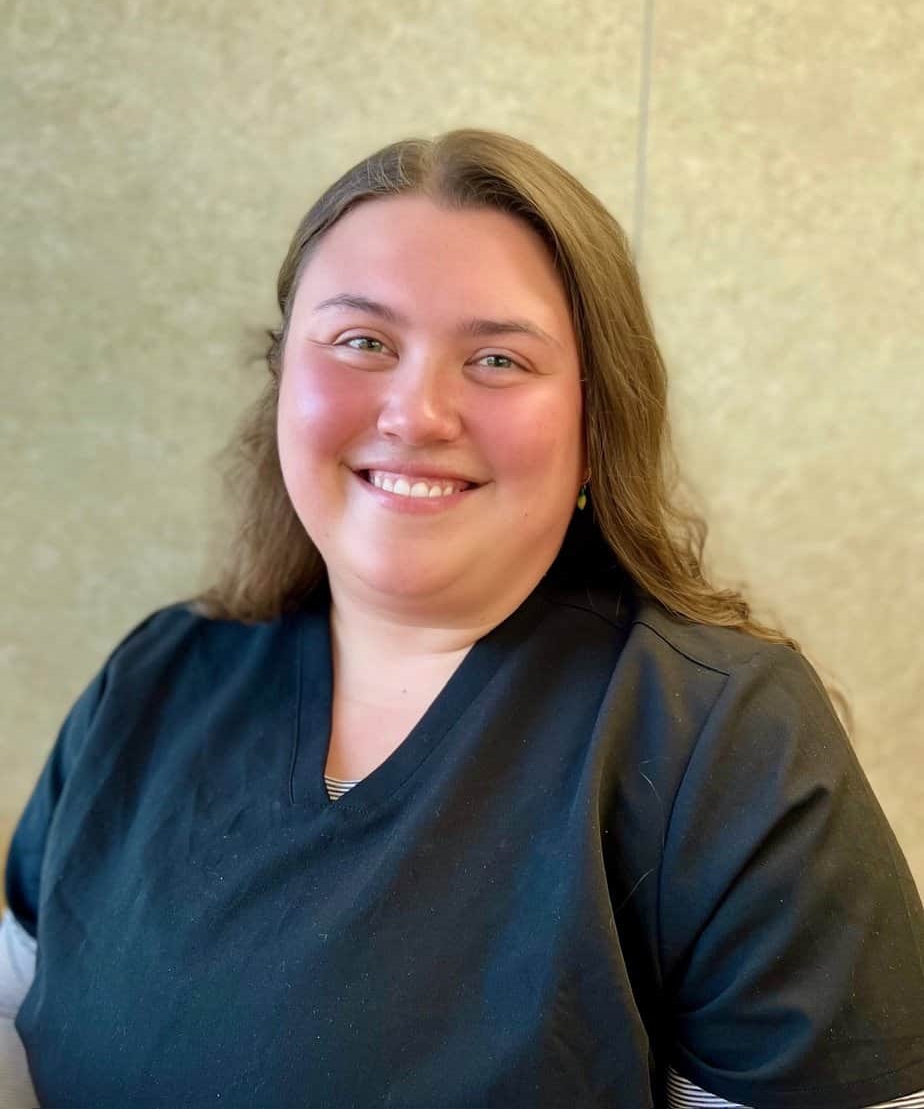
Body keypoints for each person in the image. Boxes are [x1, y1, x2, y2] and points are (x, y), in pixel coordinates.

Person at [2, 129, 923, 1109]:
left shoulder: (722, 736)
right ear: (282, 378)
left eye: (495, 357)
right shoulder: (155, 676)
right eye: (363, 341)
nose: (416, 412)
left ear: (596, 418)